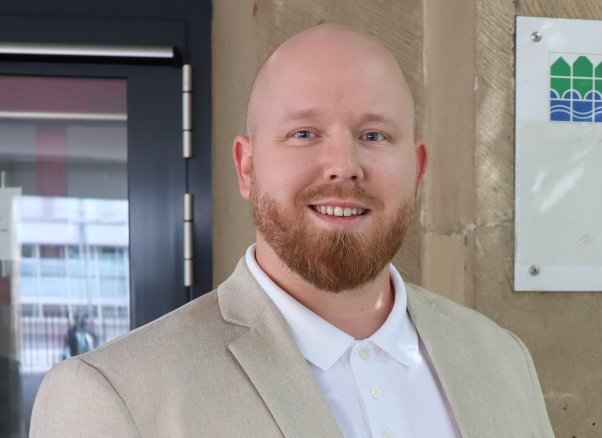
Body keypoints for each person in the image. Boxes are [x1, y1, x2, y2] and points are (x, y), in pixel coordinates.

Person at [30, 24, 555, 437]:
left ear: (417, 171)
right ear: (247, 168)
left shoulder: (501, 358)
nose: (343, 166)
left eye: (374, 135)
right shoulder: (114, 396)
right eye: (304, 133)